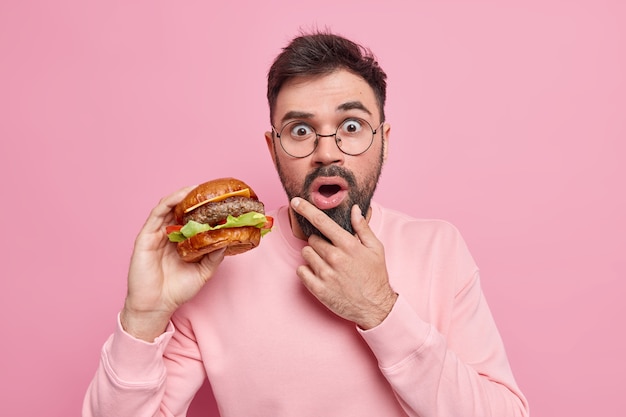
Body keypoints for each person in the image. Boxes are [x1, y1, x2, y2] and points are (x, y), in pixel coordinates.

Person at [83, 31, 529, 417]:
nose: (327, 152)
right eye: (300, 131)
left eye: (351, 125)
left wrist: (379, 311)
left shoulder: (438, 248)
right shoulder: (218, 265)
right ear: (273, 147)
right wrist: (142, 320)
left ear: (384, 142)